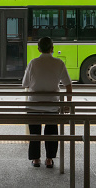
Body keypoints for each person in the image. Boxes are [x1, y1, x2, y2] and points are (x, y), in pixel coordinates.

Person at [22, 36, 72, 168]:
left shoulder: (33, 63)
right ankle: (49, 159)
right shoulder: (59, 63)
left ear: (38, 49)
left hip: (34, 106)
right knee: (51, 132)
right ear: (52, 48)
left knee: (34, 132)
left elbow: (25, 84)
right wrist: (68, 104)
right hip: (52, 106)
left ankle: (36, 159)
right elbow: (68, 85)